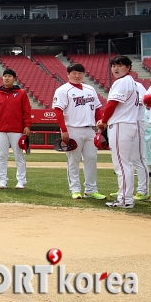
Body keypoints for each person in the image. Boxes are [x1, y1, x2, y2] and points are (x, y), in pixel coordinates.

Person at [52, 63, 106, 200]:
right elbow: (58, 111)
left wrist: (100, 123)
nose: (77, 76)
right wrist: (64, 130)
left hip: (90, 129)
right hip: (72, 129)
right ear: (68, 74)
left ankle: (91, 190)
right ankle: (75, 189)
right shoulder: (63, 90)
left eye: (80, 73)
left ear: (84, 74)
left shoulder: (90, 89)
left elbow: (97, 108)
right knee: (73, 160)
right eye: (74, 73)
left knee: (91, 160)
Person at [96, 55, 138, 208]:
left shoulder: (122, 82)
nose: (115, 68)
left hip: (121, 125)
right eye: (113, 66)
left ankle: (125, 199)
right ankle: (126, 198)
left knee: (121, 165)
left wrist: (104, 121)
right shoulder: (132, 82)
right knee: (125, 164)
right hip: (128, 124)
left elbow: (112, 104)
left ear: (128, 68)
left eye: (120, 65)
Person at [0, 68, 31, 189]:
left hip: (17, 129)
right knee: (2, 156)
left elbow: (26, 111)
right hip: (1, 130)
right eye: (5, 76)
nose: (7, 78)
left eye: (9, 76)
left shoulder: (21, 93)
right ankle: (2, 180)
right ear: (2, 78)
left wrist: (27, 125)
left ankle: (21, 181)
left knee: (19, 156)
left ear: (14, 78)